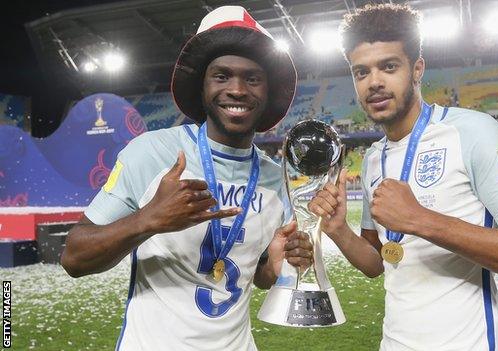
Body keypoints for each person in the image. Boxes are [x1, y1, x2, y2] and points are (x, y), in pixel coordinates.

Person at [308, 3, 498, 350]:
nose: (375, 83)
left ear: (417, 69)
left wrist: (420, 219)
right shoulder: (372, 159)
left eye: (389, 67)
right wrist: (338, 230)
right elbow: (377, 262)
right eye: (361, 72)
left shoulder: (474, 132)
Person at [61, 6, 312, 351]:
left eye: (252, 78)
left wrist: (277, 262)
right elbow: (74, 258)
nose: (237, 90)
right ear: (202, 86)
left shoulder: (273, 177)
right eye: (221, 76)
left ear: (267, 92)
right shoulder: (150, 154)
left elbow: (260, 275)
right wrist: (148, 220)